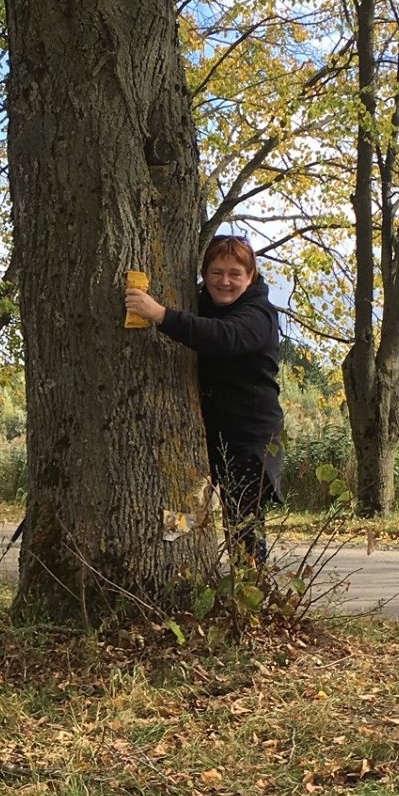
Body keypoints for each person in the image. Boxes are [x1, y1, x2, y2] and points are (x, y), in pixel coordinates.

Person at [124, 235, 284, 562]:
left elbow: (223, 338)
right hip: (206, 432)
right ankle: (177, 564)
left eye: (234, 274)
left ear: (250, 276)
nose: (224, 281)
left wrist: (160, 314)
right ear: (204, 273)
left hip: (250, 440)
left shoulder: (258, 315)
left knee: (243, 526)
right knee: (186, 504)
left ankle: (250, 594)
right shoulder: (202, 302)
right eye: (216, 272)